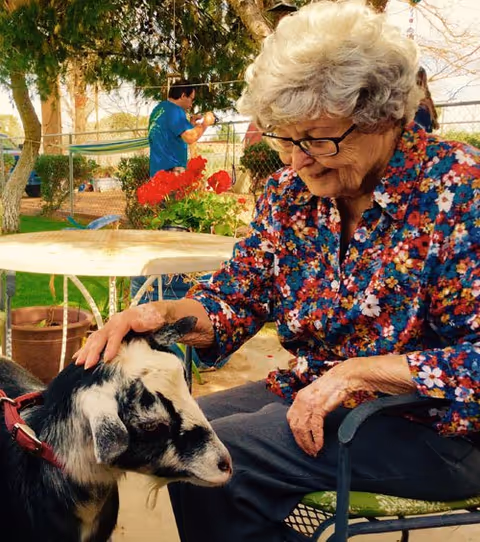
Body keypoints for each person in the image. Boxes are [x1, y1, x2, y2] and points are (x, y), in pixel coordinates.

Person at [75, 2, 480, 541]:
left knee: (221, 456)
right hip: (313, 392)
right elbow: (236, 296)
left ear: (384, 117)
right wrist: (166, 314)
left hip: (438, 429)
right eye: (283, 139)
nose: (295, 161)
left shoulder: (460, 193)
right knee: (180, 437)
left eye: (316, 139)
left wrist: (360, 371)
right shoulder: (293, 196)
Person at [148, 79, 216, 176]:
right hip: (172, 172)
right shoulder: (175, 111)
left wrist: (191, 125)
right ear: (183, 95)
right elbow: (190, 137)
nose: (191, 104)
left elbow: (169, 134)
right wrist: (206, 123)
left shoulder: (159, 109)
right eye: (191, 99)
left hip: (156, 172)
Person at [414, 66, 439, 133]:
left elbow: (430, 106)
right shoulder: (410, 93)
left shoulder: (426, 95)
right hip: (416, 128)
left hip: (425, 127)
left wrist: (434, 119)